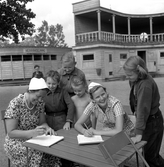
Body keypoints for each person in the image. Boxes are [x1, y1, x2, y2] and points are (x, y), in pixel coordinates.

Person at [4, 78, 61, 167]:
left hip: (34, 137)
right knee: (38, 152)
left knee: (52, 149)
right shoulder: (16, 104)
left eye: (42, 97)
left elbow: (42, 122)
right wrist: (32, 133)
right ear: (30, 91)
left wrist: (47, 128)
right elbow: (11, 133)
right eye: (38, 96)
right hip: (16, 141)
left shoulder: (40, 103)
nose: (40, 100)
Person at [123, 55, 164, 167]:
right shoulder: (136, 79)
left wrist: (139, 133)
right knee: (150, 154)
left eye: (130, 75)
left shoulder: (145, 85)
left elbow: (143, 110)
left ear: (139, 71)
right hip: (148, 120)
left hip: (153, 122)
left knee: (151, 157)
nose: (127, 77)